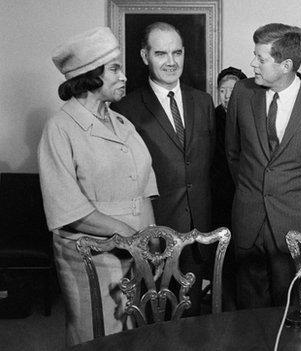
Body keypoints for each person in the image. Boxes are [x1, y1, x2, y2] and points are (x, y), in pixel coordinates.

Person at [39, 27, 158, 345]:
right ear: (91, 76)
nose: (124, 76)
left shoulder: (123, 123)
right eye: (115, 68)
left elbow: (144, 187)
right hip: (89, 257)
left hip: (135, 254)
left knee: (134, 336)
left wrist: (152, 239)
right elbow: (69, 211)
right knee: (98, 337)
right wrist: (131, 234)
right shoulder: (61, 129)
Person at [225, 23, 301, 309]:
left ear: (286, 64)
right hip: (248, 222)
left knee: (292, 313)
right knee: (247, 315)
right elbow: (233, 153)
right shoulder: (242, 93)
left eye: (261, 59)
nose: (253, 63)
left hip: (296, 228)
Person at [110, 22, 215, 316]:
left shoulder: (203, 102)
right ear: (145, 56)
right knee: (157, 322)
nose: (171, 62)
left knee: (195, 320)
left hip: (198, 234)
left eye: (177, 52)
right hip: (154, 234)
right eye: (160, 53)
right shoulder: (125, 110)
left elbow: (211, 168)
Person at [212, 67, 247, 230]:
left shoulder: (249, 118)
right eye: (222, 91)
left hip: (243, 188)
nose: (226, 96)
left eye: (232, 91)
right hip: (217, 191)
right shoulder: (211, 117)